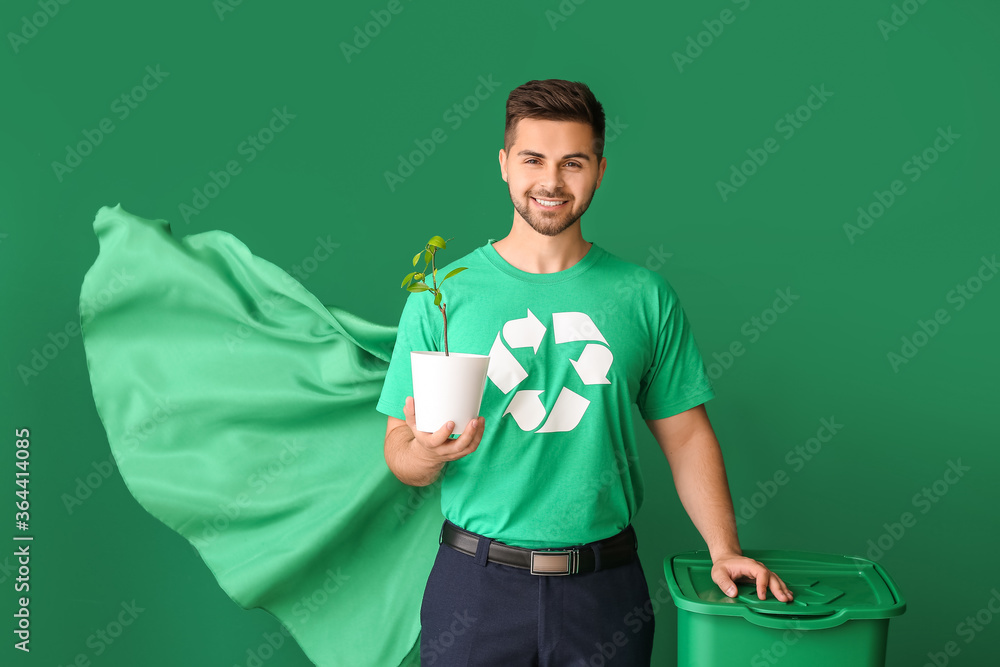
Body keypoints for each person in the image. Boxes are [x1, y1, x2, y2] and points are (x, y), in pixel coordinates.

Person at [375, 79, 793, 666]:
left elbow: (687, 437)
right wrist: (425, 453)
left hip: (605, 590)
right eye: (533, 160)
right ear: (504, 164)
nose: (551, 181)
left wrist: (723, 549)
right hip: (474, 586)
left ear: (599, 170)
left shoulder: (644, 297)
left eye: (572, 162)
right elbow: (399, 451)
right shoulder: (440, 296)